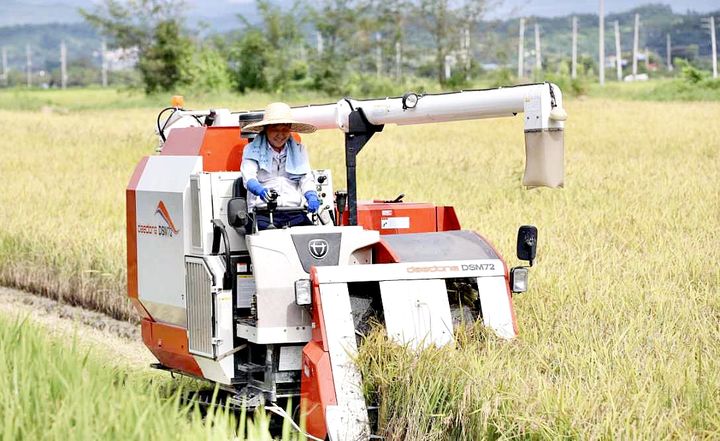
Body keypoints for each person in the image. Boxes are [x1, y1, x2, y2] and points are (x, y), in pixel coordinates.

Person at [241, 102, 321, 231]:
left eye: (285, 130)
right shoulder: (251, 149)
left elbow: (305, 178)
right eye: (275, 129)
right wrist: (260, 191)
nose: (280, 134)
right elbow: (248, 177)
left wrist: (311, 195)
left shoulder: (299, 150)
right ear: (266, 129)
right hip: (262, 213)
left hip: (294, 212)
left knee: (312, 237)